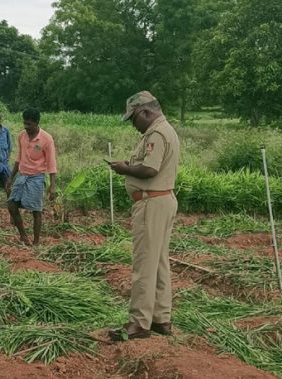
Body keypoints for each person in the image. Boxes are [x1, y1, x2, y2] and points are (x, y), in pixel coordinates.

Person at [107, 91, 180, 340]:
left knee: (145, 264)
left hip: (151, 203)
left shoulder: (156, 134)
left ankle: (139, 323)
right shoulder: (165, 130)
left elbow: (149, 169)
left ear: (145, 112)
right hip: (162, 200)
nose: (133, 125)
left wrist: (124, 168)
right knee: (159, 263)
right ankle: (161, 318)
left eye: (133, 118)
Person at [7, 108, 57, 246]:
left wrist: (52, 186)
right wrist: (11, 177)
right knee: (11, 205)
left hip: (37, 177)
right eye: (25, 123)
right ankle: (23, 236)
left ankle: (36, 242)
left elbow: (52, 163)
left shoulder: (46, 139)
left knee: (36, 211)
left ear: (36, 123)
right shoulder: (22, 136)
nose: (26, 127)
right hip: (22, 176)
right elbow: (19, 158)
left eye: (29, 124)